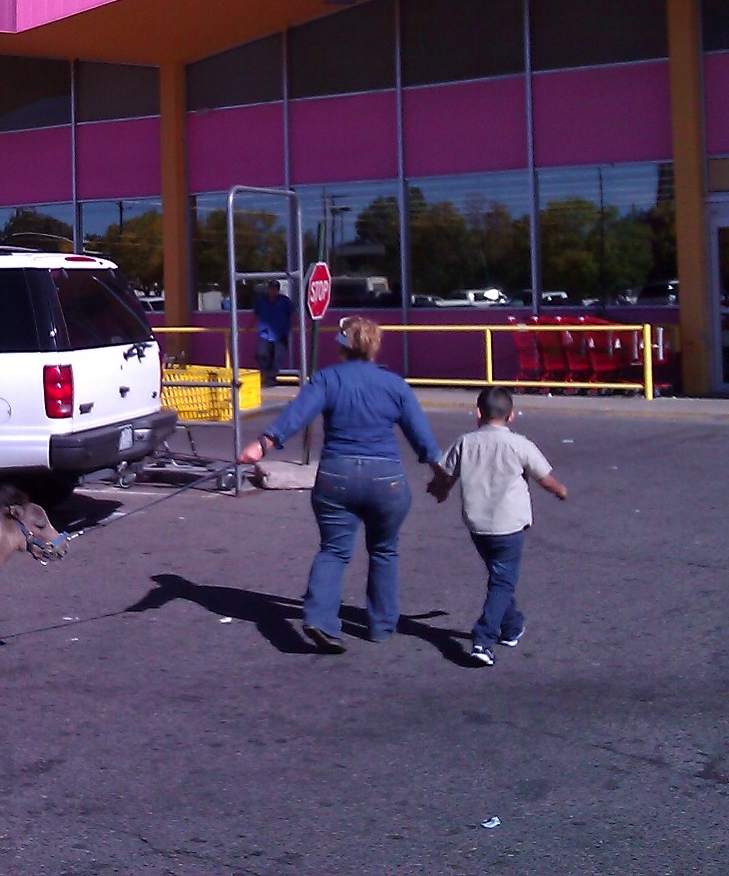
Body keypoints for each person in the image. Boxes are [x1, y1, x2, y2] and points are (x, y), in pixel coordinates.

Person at [238, 316, 443, 652]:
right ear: (375, 347)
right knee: (384, 550)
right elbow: (424, 441)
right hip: (386, 480)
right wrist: (441, 477)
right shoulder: (395, 385)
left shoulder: (327, 379)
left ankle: (320, 620)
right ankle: (381, 626)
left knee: (333, 549)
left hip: (337, 476)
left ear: (342, 346)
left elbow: (296, 415)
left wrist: (261, 445)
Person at [427, 386, 568, 667]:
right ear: (511, 415)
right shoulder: (519, 444)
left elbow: (445, 475)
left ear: (478, 413)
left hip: (478, 525)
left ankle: (512, 626)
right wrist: (561, 491)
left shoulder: (465, 443)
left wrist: (439, 490)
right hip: (510, 525)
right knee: (502, 580)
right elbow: (545, 478)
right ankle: (483, 639)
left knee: (500, 577)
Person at [252, 280, 294, 387]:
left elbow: (293, 314)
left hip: (281, 334)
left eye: (275, 289)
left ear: (278, 290)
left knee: (278, 357)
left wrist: (292, 327)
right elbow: (256, 314)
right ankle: (267, 374)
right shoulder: (261, 300)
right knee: (261, 354)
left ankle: (270, 379)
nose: (272, 291)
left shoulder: (284, 301)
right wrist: (249, 326)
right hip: (265, 333)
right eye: (271, 288)